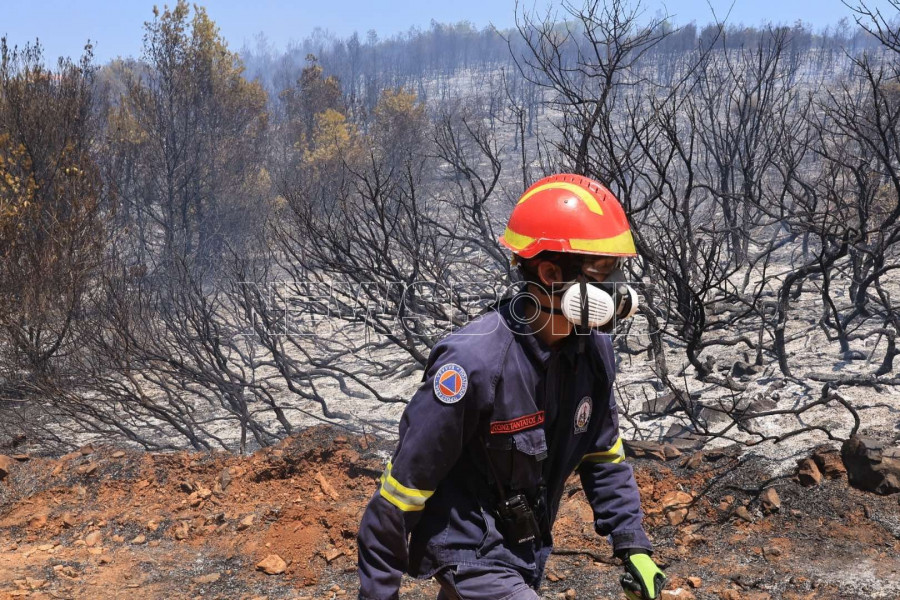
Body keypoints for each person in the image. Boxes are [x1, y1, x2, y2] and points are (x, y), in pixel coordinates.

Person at [357, 174, 667, 600]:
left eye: (616, 269)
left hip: (524, 552)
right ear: (549, 272)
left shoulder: (594, 352)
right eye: (600, 270)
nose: (616, 288)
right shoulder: (473, 365)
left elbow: (602, 454)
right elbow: (398, 497)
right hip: (468, 554)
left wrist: (632, 543)